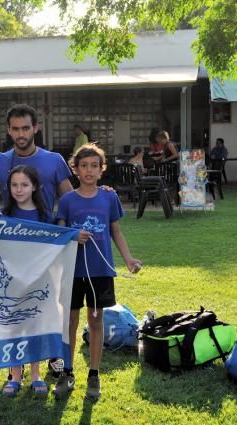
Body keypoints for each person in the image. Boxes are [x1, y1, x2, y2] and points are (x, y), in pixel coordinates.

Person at [54, 144, 141, 401]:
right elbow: (60, 232)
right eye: (84, 166)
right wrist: (73, 235)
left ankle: (94, 374)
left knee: (95, 321)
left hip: (101, 271)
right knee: (69, 322)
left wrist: (128, 259)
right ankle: (66, 372)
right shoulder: (68, 200)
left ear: (102, 169)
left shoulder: (109, 197)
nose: (89, 170)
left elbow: (115, 231)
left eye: (94, 165)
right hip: (72, 271)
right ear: (75, 169)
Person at [0, 165, 50, 396]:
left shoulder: (45, 216)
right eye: (14, 185)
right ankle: (15, 374)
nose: (19, 189)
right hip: (11, 283)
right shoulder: (4, 215)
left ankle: (36, 374)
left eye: (24, 184)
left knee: (34, 326)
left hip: (37, 282)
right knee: (14, 327)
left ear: (34, 186)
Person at [0, 104, 72, 216]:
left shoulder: (55, 160)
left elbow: (71, 203)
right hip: (10, 231)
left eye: (25, 128)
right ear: (9, 130)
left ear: (35, 128)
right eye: (15, 129)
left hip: (43, 230)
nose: (21, 134)